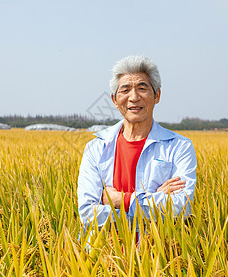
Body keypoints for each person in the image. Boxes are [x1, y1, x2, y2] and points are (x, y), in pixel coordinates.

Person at [77, 55, 197, 229]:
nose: (134, 97)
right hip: (102, 252)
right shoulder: (96, 148)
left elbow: (181, 207)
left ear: (157, 95)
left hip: (158, 253)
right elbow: (88, 215)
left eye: (142, 88)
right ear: (114, 100)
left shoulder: (179, 147)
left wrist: (121, 200)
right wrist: (153, 202)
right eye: (125, 90)